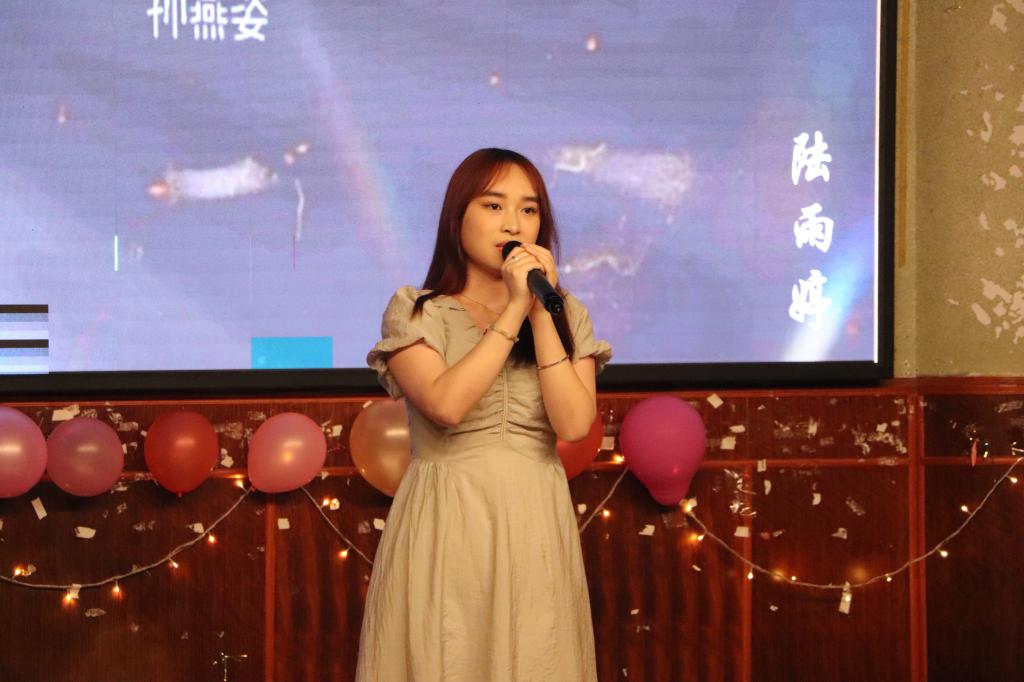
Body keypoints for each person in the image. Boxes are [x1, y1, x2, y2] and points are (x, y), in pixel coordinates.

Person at [356, 148, 612, 682]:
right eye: (494, 206)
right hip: (448, 517)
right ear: (458, 217)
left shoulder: (566, 313)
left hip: (535, 517)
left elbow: (573, 424)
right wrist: (513, 309)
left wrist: (540, 313)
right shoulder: (417, 309)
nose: (513, 224)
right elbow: (446, 405)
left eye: (529, 209)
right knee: (445, 654)